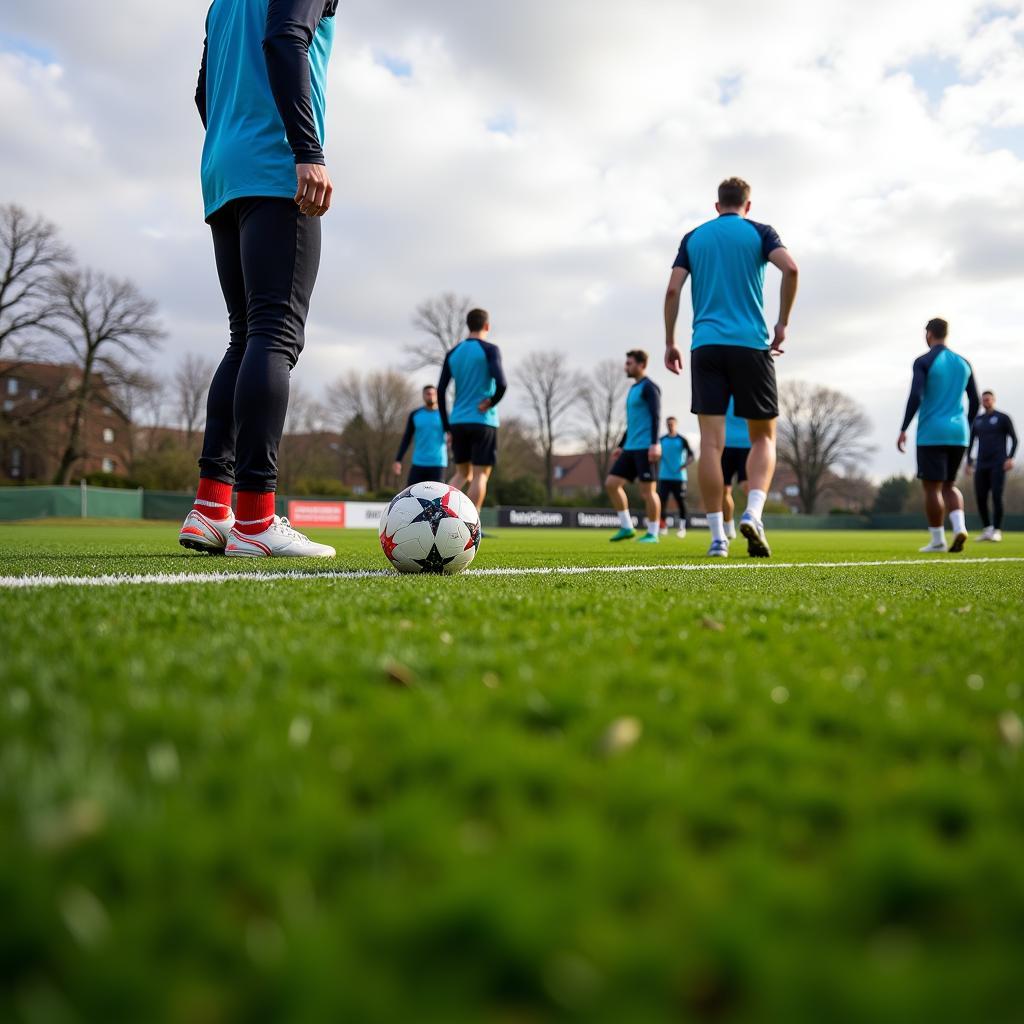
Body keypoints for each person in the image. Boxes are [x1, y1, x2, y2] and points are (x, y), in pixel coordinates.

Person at [179, 0, 339, 559]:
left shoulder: (221, 4)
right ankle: (254, 518)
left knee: (244, 334)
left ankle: (211, 508)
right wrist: (306, 149)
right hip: (276, 167)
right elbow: (284, 39)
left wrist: (235, 136)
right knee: (274, 334)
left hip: (224, 171)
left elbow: (205, 91)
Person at [663, 177, 799, 558]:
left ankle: (717, 539)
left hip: (705, 346)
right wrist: (782, 323)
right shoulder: (760, 232)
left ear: (716, 204)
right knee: (763, 438)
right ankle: (753, 514)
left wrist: (670, 341)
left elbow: (673, 290)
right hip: (751, 345)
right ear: (748, 205)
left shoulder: (695, 237)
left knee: (710, 444)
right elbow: (791, 269)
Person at [898, 318, 980, 553]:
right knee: (949, 485)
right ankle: (960, 527)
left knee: (932, 488)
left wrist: (904, 428)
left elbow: (916, 395)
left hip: (932, 432)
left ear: (928, 334)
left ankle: (937, 540)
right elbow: (974, 400)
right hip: (959, 433)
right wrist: (966, 425)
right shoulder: (963, 362)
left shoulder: (924, 361)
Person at [438, 309, 506, 511]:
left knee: (461, 474)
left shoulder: (453, 353)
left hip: (458, 422)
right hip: (482, 420)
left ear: (468, 325)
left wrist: (447, 427)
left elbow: (441, 391)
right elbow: (502, 384)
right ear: (487, 326)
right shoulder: (490, 350)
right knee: (480, 475)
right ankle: (472, 525)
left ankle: (438, 514)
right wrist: (491, 402)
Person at [606, 350, 662, 543]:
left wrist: (655, 444)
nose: (626, 367)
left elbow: (655, 416)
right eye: (626, 363)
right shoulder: (633, 389)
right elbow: (633, 422)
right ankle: (627, 527)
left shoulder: (650, 387)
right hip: (630, 448)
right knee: (612, 484)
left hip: (646, 448)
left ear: (641, 365)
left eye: (629, 363)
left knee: (648, 492)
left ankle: (653, 533)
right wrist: (621, 445)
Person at [967, 390, 1017, 541]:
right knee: (980, 496)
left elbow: (1014, 439)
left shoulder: (1003, 418)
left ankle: (997, 530)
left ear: (994, 400)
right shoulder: (978, 420)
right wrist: (969, 461)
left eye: (988, 399)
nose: (986, 402)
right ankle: (987, 529)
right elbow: (970, 442)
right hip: (981, 463)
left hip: (998, 463)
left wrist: (1010, 458)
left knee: (996, 495)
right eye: (984, 400)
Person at [393, 385, 448, 487]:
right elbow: (407, 438)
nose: (430, 396)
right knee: (410, 494)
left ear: (436, 395)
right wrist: (398, 460)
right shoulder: (415, 415)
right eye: (427, 394)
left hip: (438, 463)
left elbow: (452, 436)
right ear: (423, 396)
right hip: (418, 463)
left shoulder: (444, 415)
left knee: (437, 498)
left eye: (432, 394)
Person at [657, 417, 694, 537]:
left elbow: (691, 455)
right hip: (664, 476)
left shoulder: (682, 440)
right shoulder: (661, 440)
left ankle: (682, 528)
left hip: (679, 477)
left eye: (672, 424)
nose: (670, 426)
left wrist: (685, 465)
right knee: (662, 502)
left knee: (680, 502)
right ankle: (663, 526)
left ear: (676, 425)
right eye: (668, 424)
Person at [721, 397, 751, 540]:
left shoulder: (748, 390)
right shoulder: (720, 390)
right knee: (724, 489)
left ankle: (752, 521)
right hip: (724, 446)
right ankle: (728, 527)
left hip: (747, 446)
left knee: (747, 486)